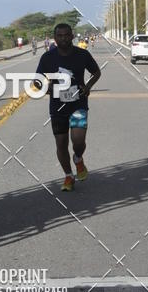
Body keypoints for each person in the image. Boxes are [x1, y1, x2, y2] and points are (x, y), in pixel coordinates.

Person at [35, 22, 101, 192]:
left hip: (78, 104)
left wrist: (87, 87)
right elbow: (37, 79)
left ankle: (78, 158)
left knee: (78, 141)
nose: (63, 38)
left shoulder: (82, 54)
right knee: (61, 143)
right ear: (54, 38)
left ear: (72, 36)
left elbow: (96, 72)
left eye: (66, 35)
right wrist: (45, 88)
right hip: (57, 107)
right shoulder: (47, 58)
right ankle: (68, 176)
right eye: (60, 35)